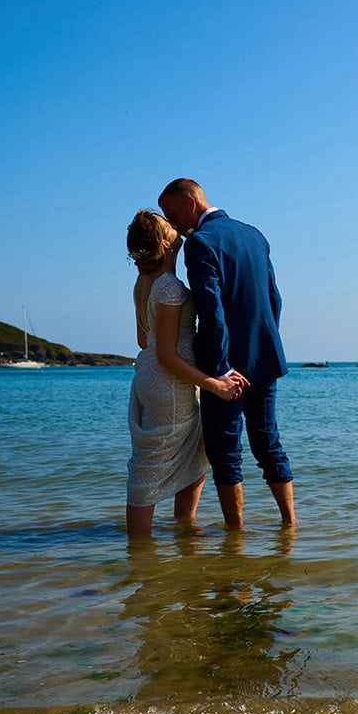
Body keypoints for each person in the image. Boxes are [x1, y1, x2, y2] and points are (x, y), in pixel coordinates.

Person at [158, 178, 296, 528]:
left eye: (172, 215)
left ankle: (235, 535)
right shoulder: (255, 234)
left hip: (226, 365)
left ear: (191, 203)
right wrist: (265, 343)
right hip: (265, 356)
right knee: (268, 444)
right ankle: (289, 524)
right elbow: (274, 298)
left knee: (225, 454)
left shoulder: (201, 243)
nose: (171, 224)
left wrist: (219, 370)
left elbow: (212, 310)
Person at [124, 210, 244, 535]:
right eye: (169, 226)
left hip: (147, 378)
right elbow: (166, 355)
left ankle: (174, 531)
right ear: (165, 242)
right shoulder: (170, 288)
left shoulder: (143, 282)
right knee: (156, 465)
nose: (175, 226)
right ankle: (146, 541)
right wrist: (215, 385)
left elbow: (143, 339)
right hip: (169, 384)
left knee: (182, 455)